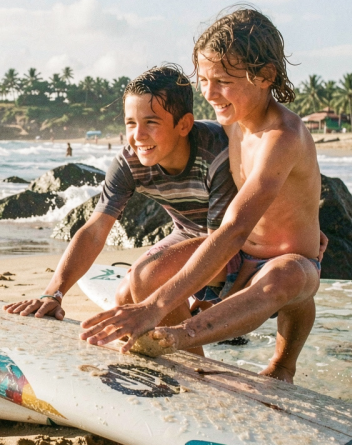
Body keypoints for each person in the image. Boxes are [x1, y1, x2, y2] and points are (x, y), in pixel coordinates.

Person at [80, 8, 324, 384]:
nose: (209, 94)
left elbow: (236, 226)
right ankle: (195, 365)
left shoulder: (283, 136)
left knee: (285, 277)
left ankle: (275, 364)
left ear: (265, 75)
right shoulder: (234, 124)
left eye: (222, 81)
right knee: (145, 275)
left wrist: (155, 306)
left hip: (290, 262)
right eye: (205, 80)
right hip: (236, 256)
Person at [4, 65, 237, 359]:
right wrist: (54, 293)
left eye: (151, 122)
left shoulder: (216, 152)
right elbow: (95, 230)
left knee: (147, 276)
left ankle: (196, 366)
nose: (138, 135)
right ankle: (168, 362)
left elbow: (222, 243)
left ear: (184, 125)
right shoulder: (129, 162)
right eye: (130, 123)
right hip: (189, 236)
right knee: (125, 296)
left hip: (237, 243)